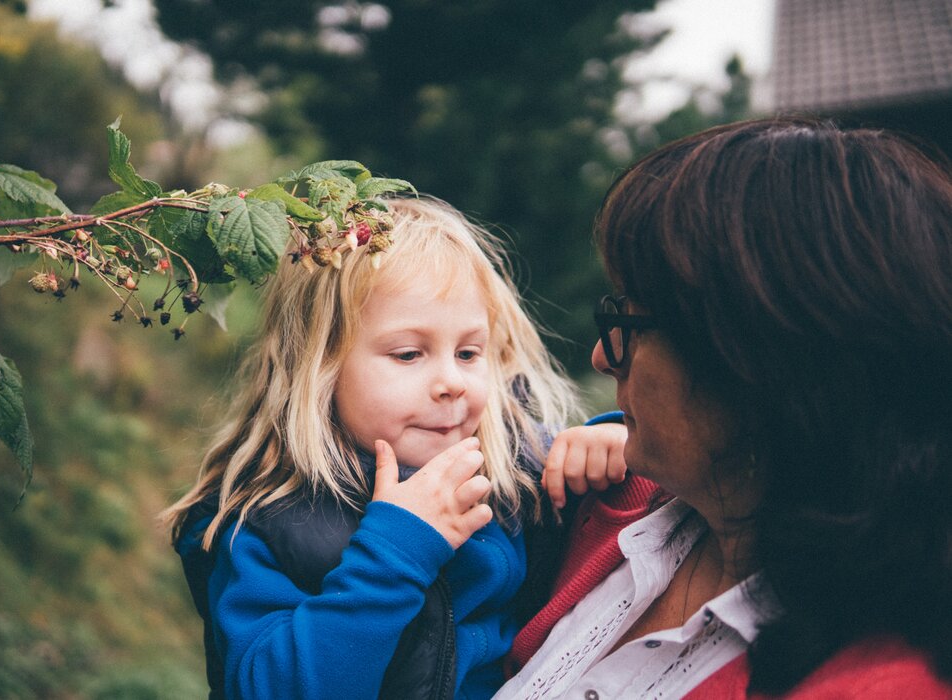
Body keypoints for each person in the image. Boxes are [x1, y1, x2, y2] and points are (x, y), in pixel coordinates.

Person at [497, 117, 952, 698]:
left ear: (754, 360)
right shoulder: (610, 513)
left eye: (628, 323)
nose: (603, 358)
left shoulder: (876, 682)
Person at [162, 196, 629, 700]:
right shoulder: (267, 518)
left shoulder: (509, 466)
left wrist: (611, 439)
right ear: (319, 365)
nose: (451, 381)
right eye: (409, 354)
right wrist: (393, 554)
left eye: (469, 352)